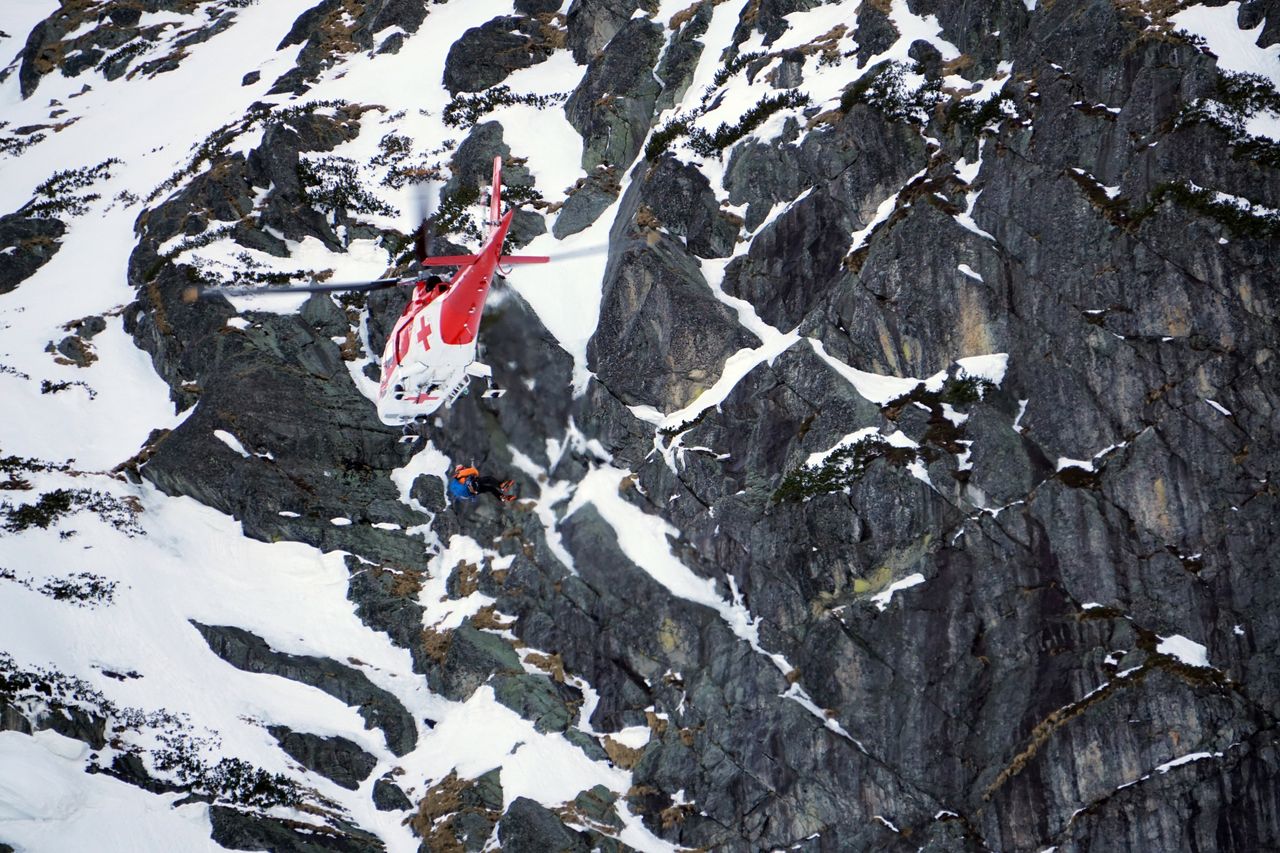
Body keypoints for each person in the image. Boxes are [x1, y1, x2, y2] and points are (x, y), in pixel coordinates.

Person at [450, 464, 516, 504]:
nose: (465, 468)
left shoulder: (456, 481)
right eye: (463, 468)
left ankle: (501, 497)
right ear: (460, 469)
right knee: (489, 479)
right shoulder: (460, 473)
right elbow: (475, 471)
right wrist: (474, 472)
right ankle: (501, 486)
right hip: (471, 486)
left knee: (490, 489)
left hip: (472, 493)